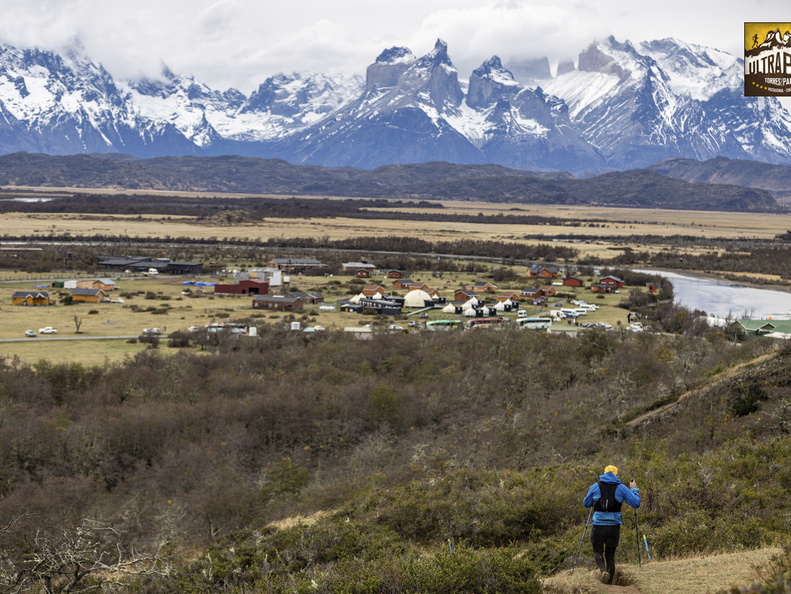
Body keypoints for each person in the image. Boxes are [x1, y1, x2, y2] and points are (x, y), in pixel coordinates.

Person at [582, 465, 640, 585]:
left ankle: (603, 571)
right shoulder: (621, 488)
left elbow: (586, 503)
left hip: (598, 524)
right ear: (616, 475)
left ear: (604, 474)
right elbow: (636, 503)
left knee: (597, 551)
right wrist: (634, 489)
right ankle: (608, 584)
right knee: (610, 555)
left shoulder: (595, 486)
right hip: (613, 526)